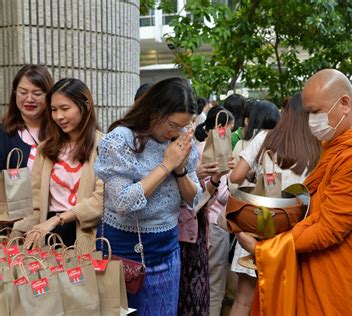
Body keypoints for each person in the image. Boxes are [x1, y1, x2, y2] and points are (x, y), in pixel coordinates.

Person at [238, 69, 352, 315]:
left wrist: (265, 249)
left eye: (315, 112)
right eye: (307, 113)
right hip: (324, 266)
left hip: (342, 277)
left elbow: (330, 227)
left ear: (345, 103)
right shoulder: (339, 141)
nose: (310, 121)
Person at [94, 77, 202, 315]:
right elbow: (122, 201)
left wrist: (180, 169)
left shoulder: (180, 140)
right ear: (154, 111)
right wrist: (166, 165)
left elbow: (194, 198)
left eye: (182, 126)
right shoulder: (120, 139)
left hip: (167, 246)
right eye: (172, 124)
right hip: (123, 249)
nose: (175, 132)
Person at [229, 94, 320, 316]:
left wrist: (255, 175)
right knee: (285, 298)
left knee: (243, 299)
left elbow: (234, 177)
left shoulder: (265, 138)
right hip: (292, 234)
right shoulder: (318, 147)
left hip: (256, 226)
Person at [14, 78, 103, 247]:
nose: (58, 116)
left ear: (85, 106)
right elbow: (36, 203)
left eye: (65, 108)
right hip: (49, 236)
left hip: (85, 233)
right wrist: (19, 228)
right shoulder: (45, 149)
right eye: (54, 110)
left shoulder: (103, 146)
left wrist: (59, 219)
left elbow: (101, 201)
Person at [179, 106, 235, 316]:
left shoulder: (196, 148)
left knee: (199, 287)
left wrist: (216, 178)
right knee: (210, 285)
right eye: (185, 123)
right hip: (197, 227)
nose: (190, 128)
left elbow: (205, 193)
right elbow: (216, 196)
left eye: (192, 122)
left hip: (200, 225)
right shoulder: (188, 152)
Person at [0, 64, 53, 172]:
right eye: (23, 92)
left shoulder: (60, 131)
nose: (29, 99)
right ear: (14, 93)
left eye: (37, 93)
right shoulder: (4, 133)